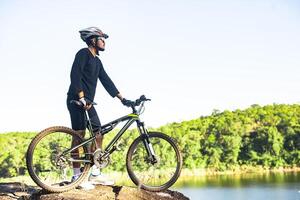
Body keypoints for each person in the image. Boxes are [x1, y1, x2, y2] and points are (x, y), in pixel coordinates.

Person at [67, 27, 131, 189]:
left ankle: (95, 172)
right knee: (79, 135)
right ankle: (76, 176)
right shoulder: (83, 54)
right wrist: (81, 97)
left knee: (98, 133)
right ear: (92, 40)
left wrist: (123, 99)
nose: (104, 42)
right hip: (76, 100)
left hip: (88, 103)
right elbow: (75, 75)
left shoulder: (97, 61)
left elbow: (106, 81)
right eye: (101, 39)